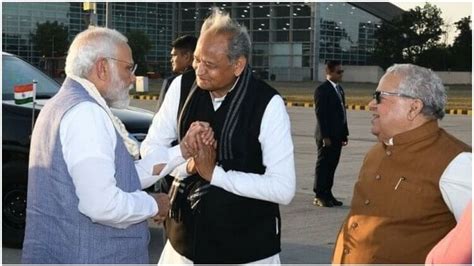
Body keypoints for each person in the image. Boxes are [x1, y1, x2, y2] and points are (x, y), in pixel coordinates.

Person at [141, 8, 296, 264]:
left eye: (210, 65)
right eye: (197, 59)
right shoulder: (181, 87)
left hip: (247, 251)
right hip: (182, 246)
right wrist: (187, 162)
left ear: (238, 65)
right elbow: (149, 151)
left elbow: (283, 188)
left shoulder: (267, 104)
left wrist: (215, 174)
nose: (199, 70)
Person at [22, 26, 173, 263]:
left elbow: (115, 176)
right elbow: (101, 205)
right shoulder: (86, 113)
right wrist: (153, 204)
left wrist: (182, 153)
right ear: (103, 67)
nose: (133, 78)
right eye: (128, 68)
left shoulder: (60, 104)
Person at [332, 64, 472, 264]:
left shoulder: (458, 162)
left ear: (413, 108)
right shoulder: (375, 153)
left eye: (380, 97)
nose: (372, 104)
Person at [313, 60, 348, 207]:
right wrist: (325, 136)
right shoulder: (322, 90)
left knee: (332, 165)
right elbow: (320, 114)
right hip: (326, 136)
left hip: (337, 135)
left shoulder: (339, 90)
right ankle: (319, 195)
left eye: (342, 72)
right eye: (338, 72)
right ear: (329, 73)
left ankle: (328, 193)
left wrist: (345, 133)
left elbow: (342, 114)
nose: (341, 75)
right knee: (323, 165)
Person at [156, 35, 197, 111]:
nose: (171, 60)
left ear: (186, 56)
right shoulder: (207, 82)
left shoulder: (174, 82)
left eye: (174, 55)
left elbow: (161, 118)